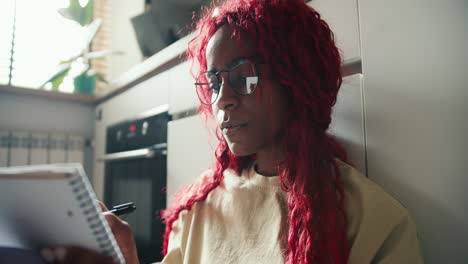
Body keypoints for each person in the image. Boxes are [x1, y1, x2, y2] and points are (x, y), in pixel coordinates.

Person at [40, 0, 424, 263]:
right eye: (214, 81)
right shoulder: (199, 210)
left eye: (243, 78)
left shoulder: (372, 220)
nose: (221, 100)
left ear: (298, 80)